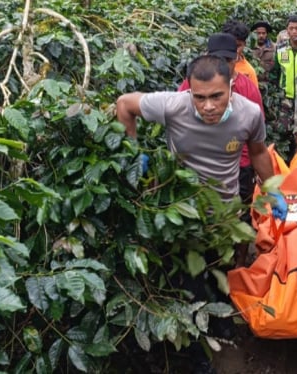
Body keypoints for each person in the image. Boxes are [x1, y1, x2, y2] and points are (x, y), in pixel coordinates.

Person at [116, 55, 287, 374]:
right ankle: (199, 357)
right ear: (189, 92)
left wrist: (272, 189)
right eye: (200, 97)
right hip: (182, 219)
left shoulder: (249, 114)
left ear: (232, 88)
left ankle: (221, 323)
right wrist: (133, 149)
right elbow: (125, 104)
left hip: (225, 214)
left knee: (219, 272)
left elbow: (259, 150)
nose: (207, 105)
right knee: (191, 286)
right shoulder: (172, 105)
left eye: (216, 96)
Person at [177, 33, 265, 268]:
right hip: (202, 164)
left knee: (239, 216)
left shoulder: (247, 88)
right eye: (218, 59)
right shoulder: (192, 84)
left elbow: (256, 137)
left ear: (235, 60)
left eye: (228, 60)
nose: (223, 65)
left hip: (241, 164)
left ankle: (237, 264)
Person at [269, 14, 297, 159]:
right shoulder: (281, 49)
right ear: (287, 31)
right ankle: (286, 162)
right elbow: (275, 73)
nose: (295, 31)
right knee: (283, 131)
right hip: (285, 99)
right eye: (292, 28)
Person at [222, 20, 259, 88]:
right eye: (230, 45)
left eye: (238, 46)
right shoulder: (212, 63)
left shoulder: (248, 72)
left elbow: (253, 97)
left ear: (244, 45)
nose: (234, 50)